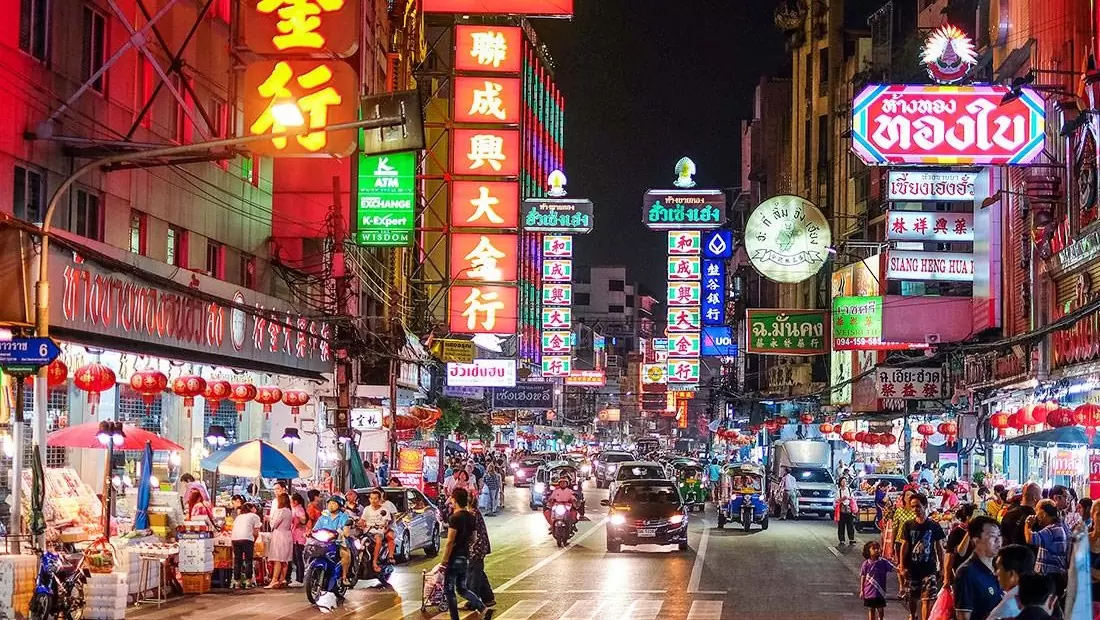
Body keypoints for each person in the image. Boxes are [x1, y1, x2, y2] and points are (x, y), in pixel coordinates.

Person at [441, 487, 492, 620]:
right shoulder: (471, 516)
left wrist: (444, 560)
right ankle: (482, 608)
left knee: (449, 589)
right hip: (465, 555)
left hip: (454, 557)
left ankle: (455, 618)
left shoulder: (455, 517)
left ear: (455, 500)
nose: (450, 501)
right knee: (462, 588)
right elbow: (474, 538)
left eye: (452, 498)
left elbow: (450, 541)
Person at [899, 493, 946, 620]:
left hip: (929, 569)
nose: (915, 509)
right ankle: (913, 615)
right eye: (913, 507)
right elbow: (905, 546)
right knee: (912, 598)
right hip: (912, 569)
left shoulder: (934, 526)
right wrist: (902, 565)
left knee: (927, 599)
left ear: (925, 506)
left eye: (918, 506)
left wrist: (942, 568)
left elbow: (940, 548)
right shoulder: (908, 525)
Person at [952, 516, 1002, 620]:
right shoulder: (966, 572)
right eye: (992, 536)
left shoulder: (998, 568)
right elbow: (963, 617)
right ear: (976, 540)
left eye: (999, 536)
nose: (998, 540)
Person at [1024, 500, 1068, 616]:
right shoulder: (1058, 527)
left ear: (1043, 513)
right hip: (1054, 577)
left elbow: (1030, 539)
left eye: (1037, 513)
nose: (1036, 517)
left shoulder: (1053, 530)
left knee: (1048, 610)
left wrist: (1027, 525)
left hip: (1051, 577)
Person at [313, 495, 353, 586]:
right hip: (323, 542)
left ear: (339, 505)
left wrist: (344, 531)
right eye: (329, 503)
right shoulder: (323, 516)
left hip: (338, 541)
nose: (331, 505)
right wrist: (310, 532)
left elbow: (346, 531)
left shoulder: (344, 517)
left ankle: (344, 577)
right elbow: (315, 528)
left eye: (334, 503)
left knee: (345, 554)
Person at [989, 544, 1035, 619]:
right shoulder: (1041, 599)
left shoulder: (1006, 608)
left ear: (1011, 574)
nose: (995, 573)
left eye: (998, 568)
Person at [464, 503, 496, 610]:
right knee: (478, 572)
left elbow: (471, 534)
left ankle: (474, 600)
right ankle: (488, 598)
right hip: (478, 546)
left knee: (474, 575)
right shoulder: (473, 512)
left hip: (476, 548)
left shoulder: (471, 513)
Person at [360, 489, 396, 574]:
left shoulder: (384, 510)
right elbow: (362, 520)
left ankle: (374, 562)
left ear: (379, 499)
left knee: (378, 540)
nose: (373, 500)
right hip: (367, 532)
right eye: (371, 498)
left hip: (378, 531)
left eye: (375, 498)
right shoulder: (366, 509)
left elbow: (386, 523)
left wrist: (383, 525)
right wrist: (357, 523)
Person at [943, 504, 977, 587]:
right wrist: (947, 576)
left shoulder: (979, 532)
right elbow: (950, 555)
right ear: (968, 517)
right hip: (962, 574)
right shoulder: (956, 532)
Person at [231, 502, 262, 589]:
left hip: (235, 538)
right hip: (247, 538)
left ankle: (237, 582)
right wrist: (254, 540)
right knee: (248, 560)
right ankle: (248, 581)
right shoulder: (255, 516)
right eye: (254, 507)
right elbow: (256, 532)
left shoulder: (238, 517)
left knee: (238, 560)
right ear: (251, 508)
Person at [860, 541, 894, 620]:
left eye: (878, 548)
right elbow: (863, 576)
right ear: (868, 551)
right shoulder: (866, 564)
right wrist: (862, 590)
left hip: (880, 592)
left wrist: (901, 570)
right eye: (874, 548)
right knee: (871, 610)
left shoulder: (883, 562)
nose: (876, 550)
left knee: (880, 610)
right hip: (869, 592)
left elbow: (893, 568)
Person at [266, 494, 293, 589]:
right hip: (287, 534)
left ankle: (274, 580)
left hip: (279, 535)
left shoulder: (281, 511)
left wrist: (269, 519)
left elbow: (274, 524)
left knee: (278, 558)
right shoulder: (289, 511)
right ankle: (282, 579)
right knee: (285, 560)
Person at [1002, 482, 1040, 548]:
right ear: (1035, 497)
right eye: (1040, 495)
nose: (1041, 498)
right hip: (1028, 556)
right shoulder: (1035, 517)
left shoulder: (1008, 514)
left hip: (1009, 555)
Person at [289, 493, 309, 587]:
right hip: (295, 537)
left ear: (295, 501)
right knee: (296, 559)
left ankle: (299, 579)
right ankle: (298, 578)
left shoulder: (298, 509)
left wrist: (299, 519)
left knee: (298, 559)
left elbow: (304, 520)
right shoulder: (296, 509)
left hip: (299, 537)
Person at [835, 476, 857, 546]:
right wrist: (842, 499)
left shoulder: (850, 490)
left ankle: (851, 539)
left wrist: (849, 498)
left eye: (845, 481)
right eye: (842, 481)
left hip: (849, 509)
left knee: (850, 525)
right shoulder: (838, 491)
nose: (844, 483)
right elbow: (836, 501)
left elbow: (853, 498)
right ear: (840, 483)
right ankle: (842, 540)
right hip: (842, 510)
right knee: (841, 525)